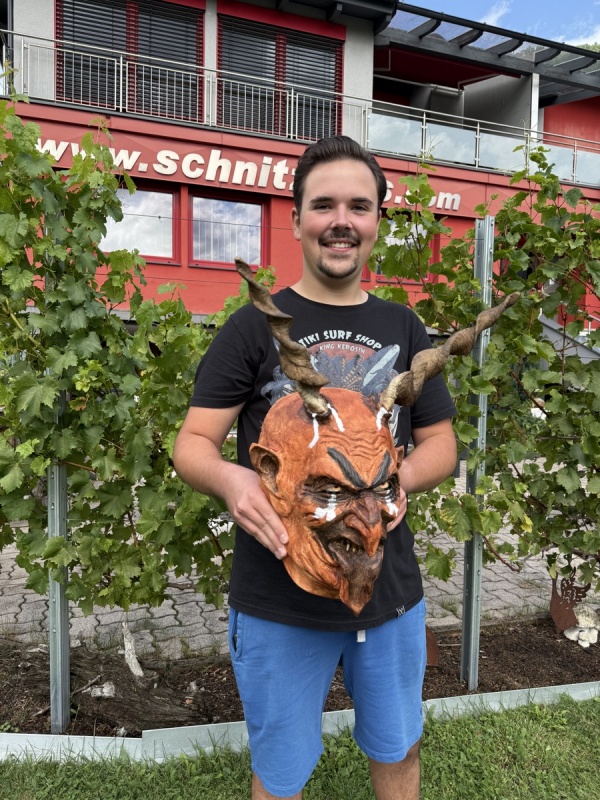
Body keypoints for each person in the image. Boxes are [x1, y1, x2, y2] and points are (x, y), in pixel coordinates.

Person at [173, 135, 457, 800]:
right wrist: (231, 478)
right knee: (280, 773)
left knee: (399, 748)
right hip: (277, 602)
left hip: (388, 596)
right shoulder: (253, 326)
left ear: (377, 221)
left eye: (359, 206)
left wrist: (398, 483)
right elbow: (193, 442)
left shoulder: (404, 327)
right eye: (324, 205)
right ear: (297, 217)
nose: (341, 221)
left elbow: (441, 442)